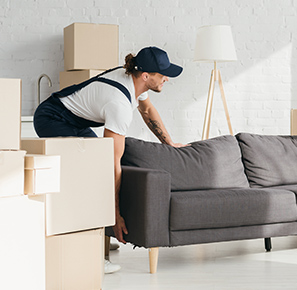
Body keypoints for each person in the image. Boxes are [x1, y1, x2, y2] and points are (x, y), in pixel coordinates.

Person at [34, 46, 187, 272]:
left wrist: (170, 143)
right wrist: (114, 216)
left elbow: (147, 111)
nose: (167, 78)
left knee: (94, 166)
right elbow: (111, 163)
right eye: (163, 74)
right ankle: (90, 254)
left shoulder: (135, 80)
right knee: (92, 175)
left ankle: (95, 234)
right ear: (146, 76)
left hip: (72, 121)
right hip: (51, 118)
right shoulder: (119, 104)